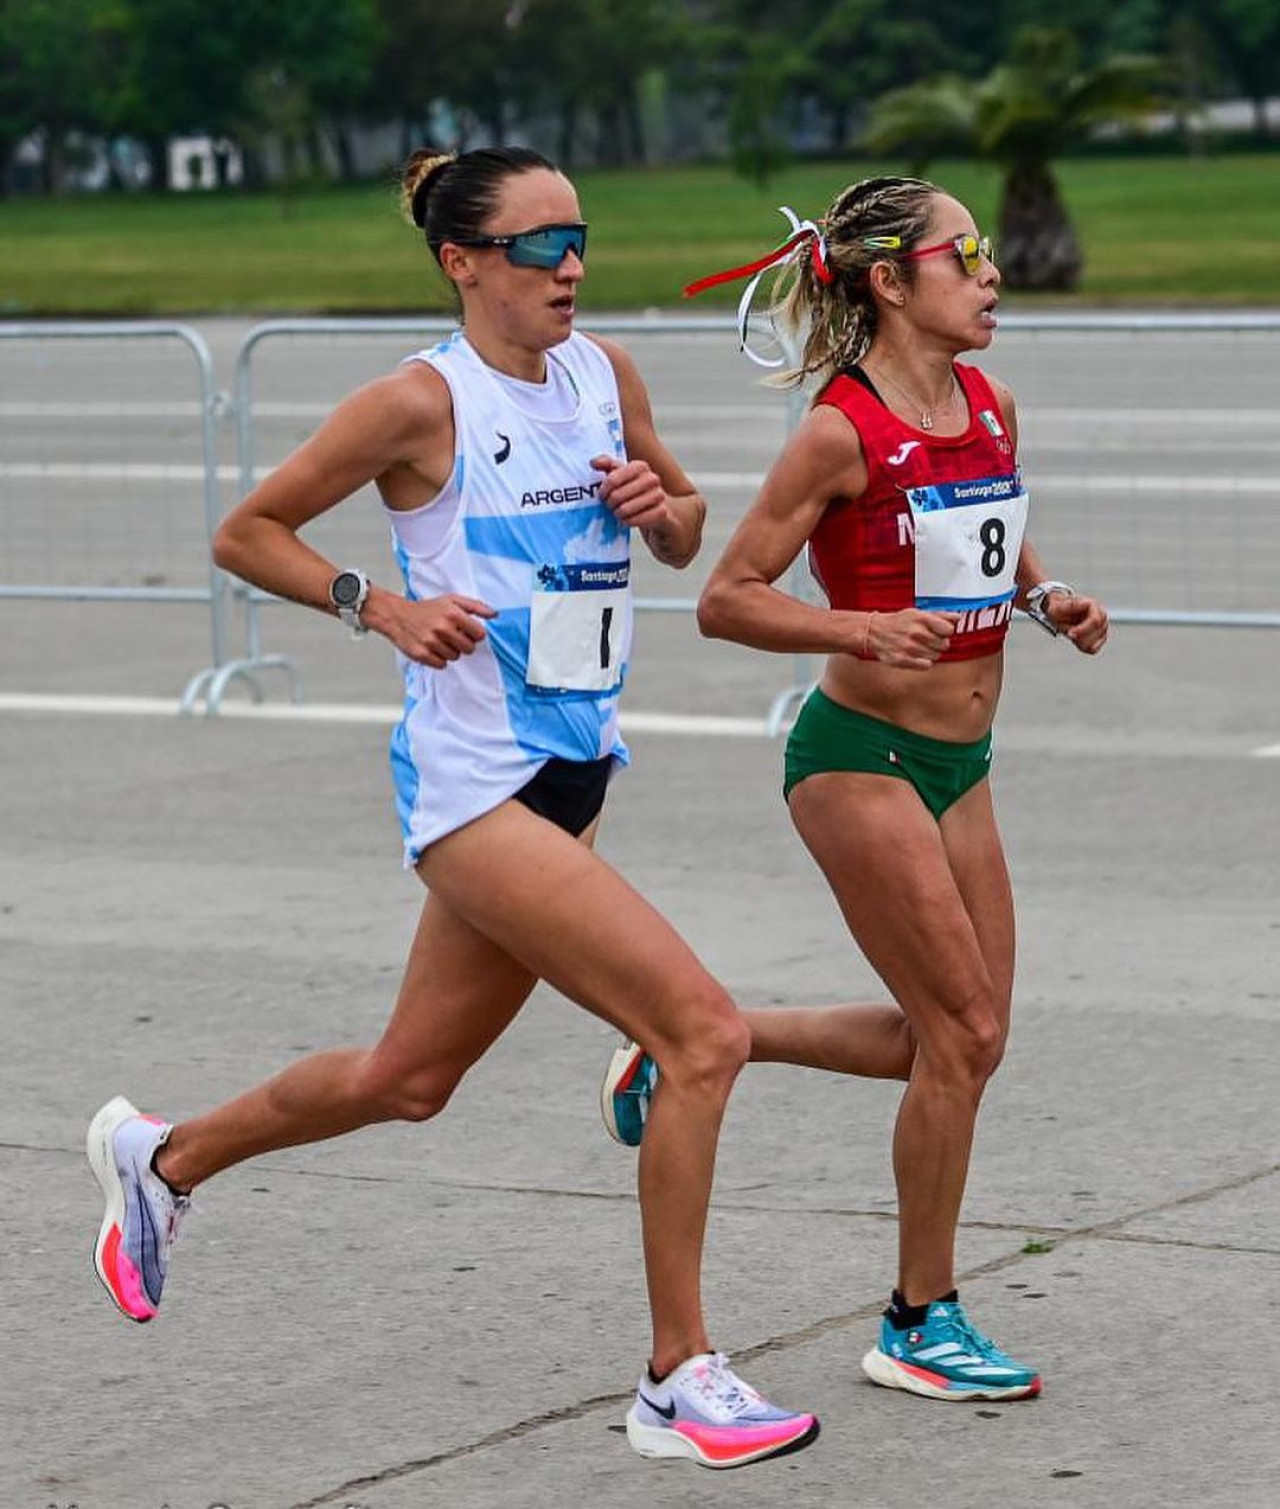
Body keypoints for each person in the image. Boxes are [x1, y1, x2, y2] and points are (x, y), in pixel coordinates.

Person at [85, 145, 819, 1471]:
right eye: (539, 247)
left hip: (576, 770)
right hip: (479, 791)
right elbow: (249, 531)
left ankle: (164, 1157)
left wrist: (666, 510)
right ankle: (677, 1375)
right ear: (461, 262)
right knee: (702, 1032)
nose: (572, 268)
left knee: (409, 1078)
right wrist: (381, 605)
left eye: (580, 238)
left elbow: (686, 529)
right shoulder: (419, 405)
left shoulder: (603, 376)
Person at [602, 175, 1108, 1403]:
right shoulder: (838, 431)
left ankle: (687, 1047)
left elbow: (992, 523)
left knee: (961, 1045)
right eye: (963, 253)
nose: (989, 273)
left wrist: (1043, 598)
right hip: (856, 760)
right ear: (889, 281)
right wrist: (858, 628)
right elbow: (724, 597)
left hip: (961, 765)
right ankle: (917, 1319)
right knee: (964, 1031)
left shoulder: (986, 402)